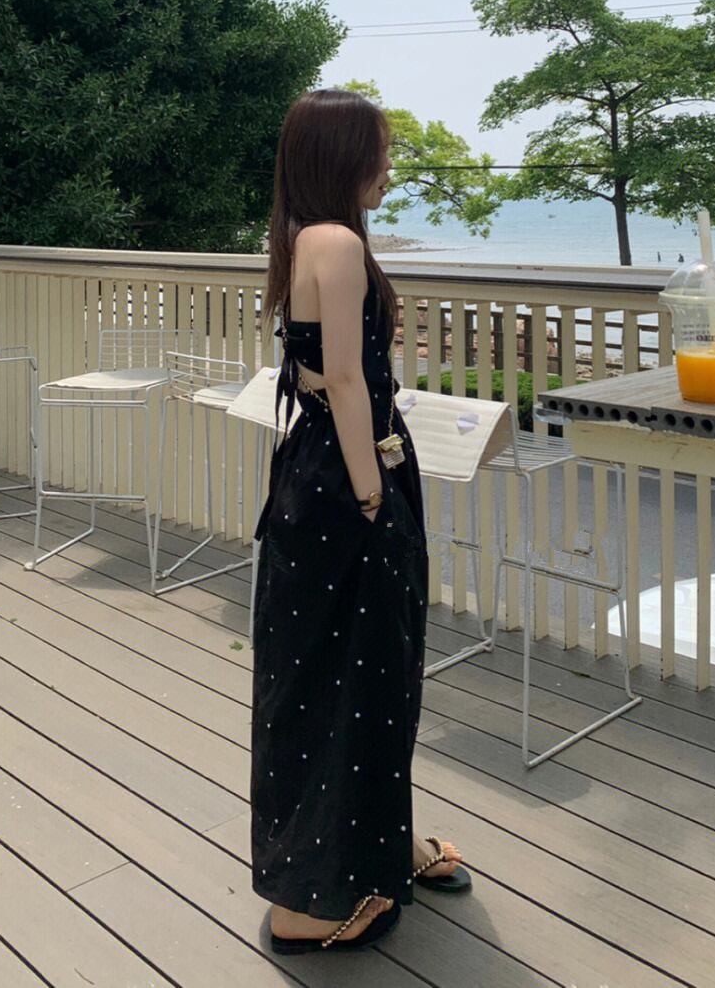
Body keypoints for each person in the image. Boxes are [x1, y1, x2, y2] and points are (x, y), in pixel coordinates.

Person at [253, 88, 471, 956]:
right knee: (363, 679)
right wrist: (374, 496)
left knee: (343, 678)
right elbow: (343, 377)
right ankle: (312, 903)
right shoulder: (338, 242)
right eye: (380, 153)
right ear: (346, 158)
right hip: (351, 478)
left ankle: (380, 846)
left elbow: (317, 372)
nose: (389, 170)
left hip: (321, 473)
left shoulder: (301, 236)